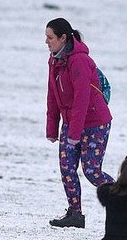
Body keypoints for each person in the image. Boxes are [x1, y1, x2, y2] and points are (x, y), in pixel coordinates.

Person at [45, 17, 114, 228]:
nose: (46, 42)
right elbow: (52, 95)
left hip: (95, 122)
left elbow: (82, 99)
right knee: (66, 168)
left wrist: (74, 133)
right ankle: (75, 215)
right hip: (71, 122)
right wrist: (52, 127)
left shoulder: (79, 61)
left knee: (92, 171)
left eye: (50, 38)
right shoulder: (54, 60)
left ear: (63, 38)